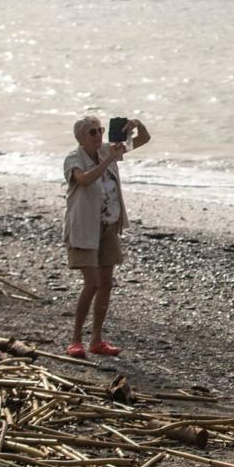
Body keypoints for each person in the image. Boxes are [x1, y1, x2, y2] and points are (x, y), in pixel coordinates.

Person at [63, 115, 150, 358]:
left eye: (100, 130)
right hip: (83, 228)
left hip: (108, 226)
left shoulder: (106, 150)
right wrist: (109, 159)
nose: (98, 135)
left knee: (106, 284)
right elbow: (84, 180)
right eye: (92, 132)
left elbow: (143, 140)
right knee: (91, 283)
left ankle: (97, 339)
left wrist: (137, 126)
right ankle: (76, 340)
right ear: (81, 137)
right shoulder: (73, 158)